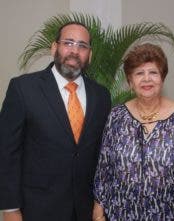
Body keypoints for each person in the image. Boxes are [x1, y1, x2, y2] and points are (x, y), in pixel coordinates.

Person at [0, 22, 111, 221]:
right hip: (36, 210)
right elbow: (6, 152)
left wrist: (100, 204)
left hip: (85, 211)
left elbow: (102, 155)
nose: (75, 51)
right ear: (54, 47)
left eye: (82, 46)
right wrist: (10, 208)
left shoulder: (101, 96)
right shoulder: (23, 89)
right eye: (68, 43)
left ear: (90, 55)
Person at [93, 43, 174, 221]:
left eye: (153, 72)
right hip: (120, 213)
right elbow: (104, 168)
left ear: (162, 78)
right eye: (139, 73)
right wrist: (98, 210)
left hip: (166, 214)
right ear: (130, 81)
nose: (146, 79)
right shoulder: (117, 116)